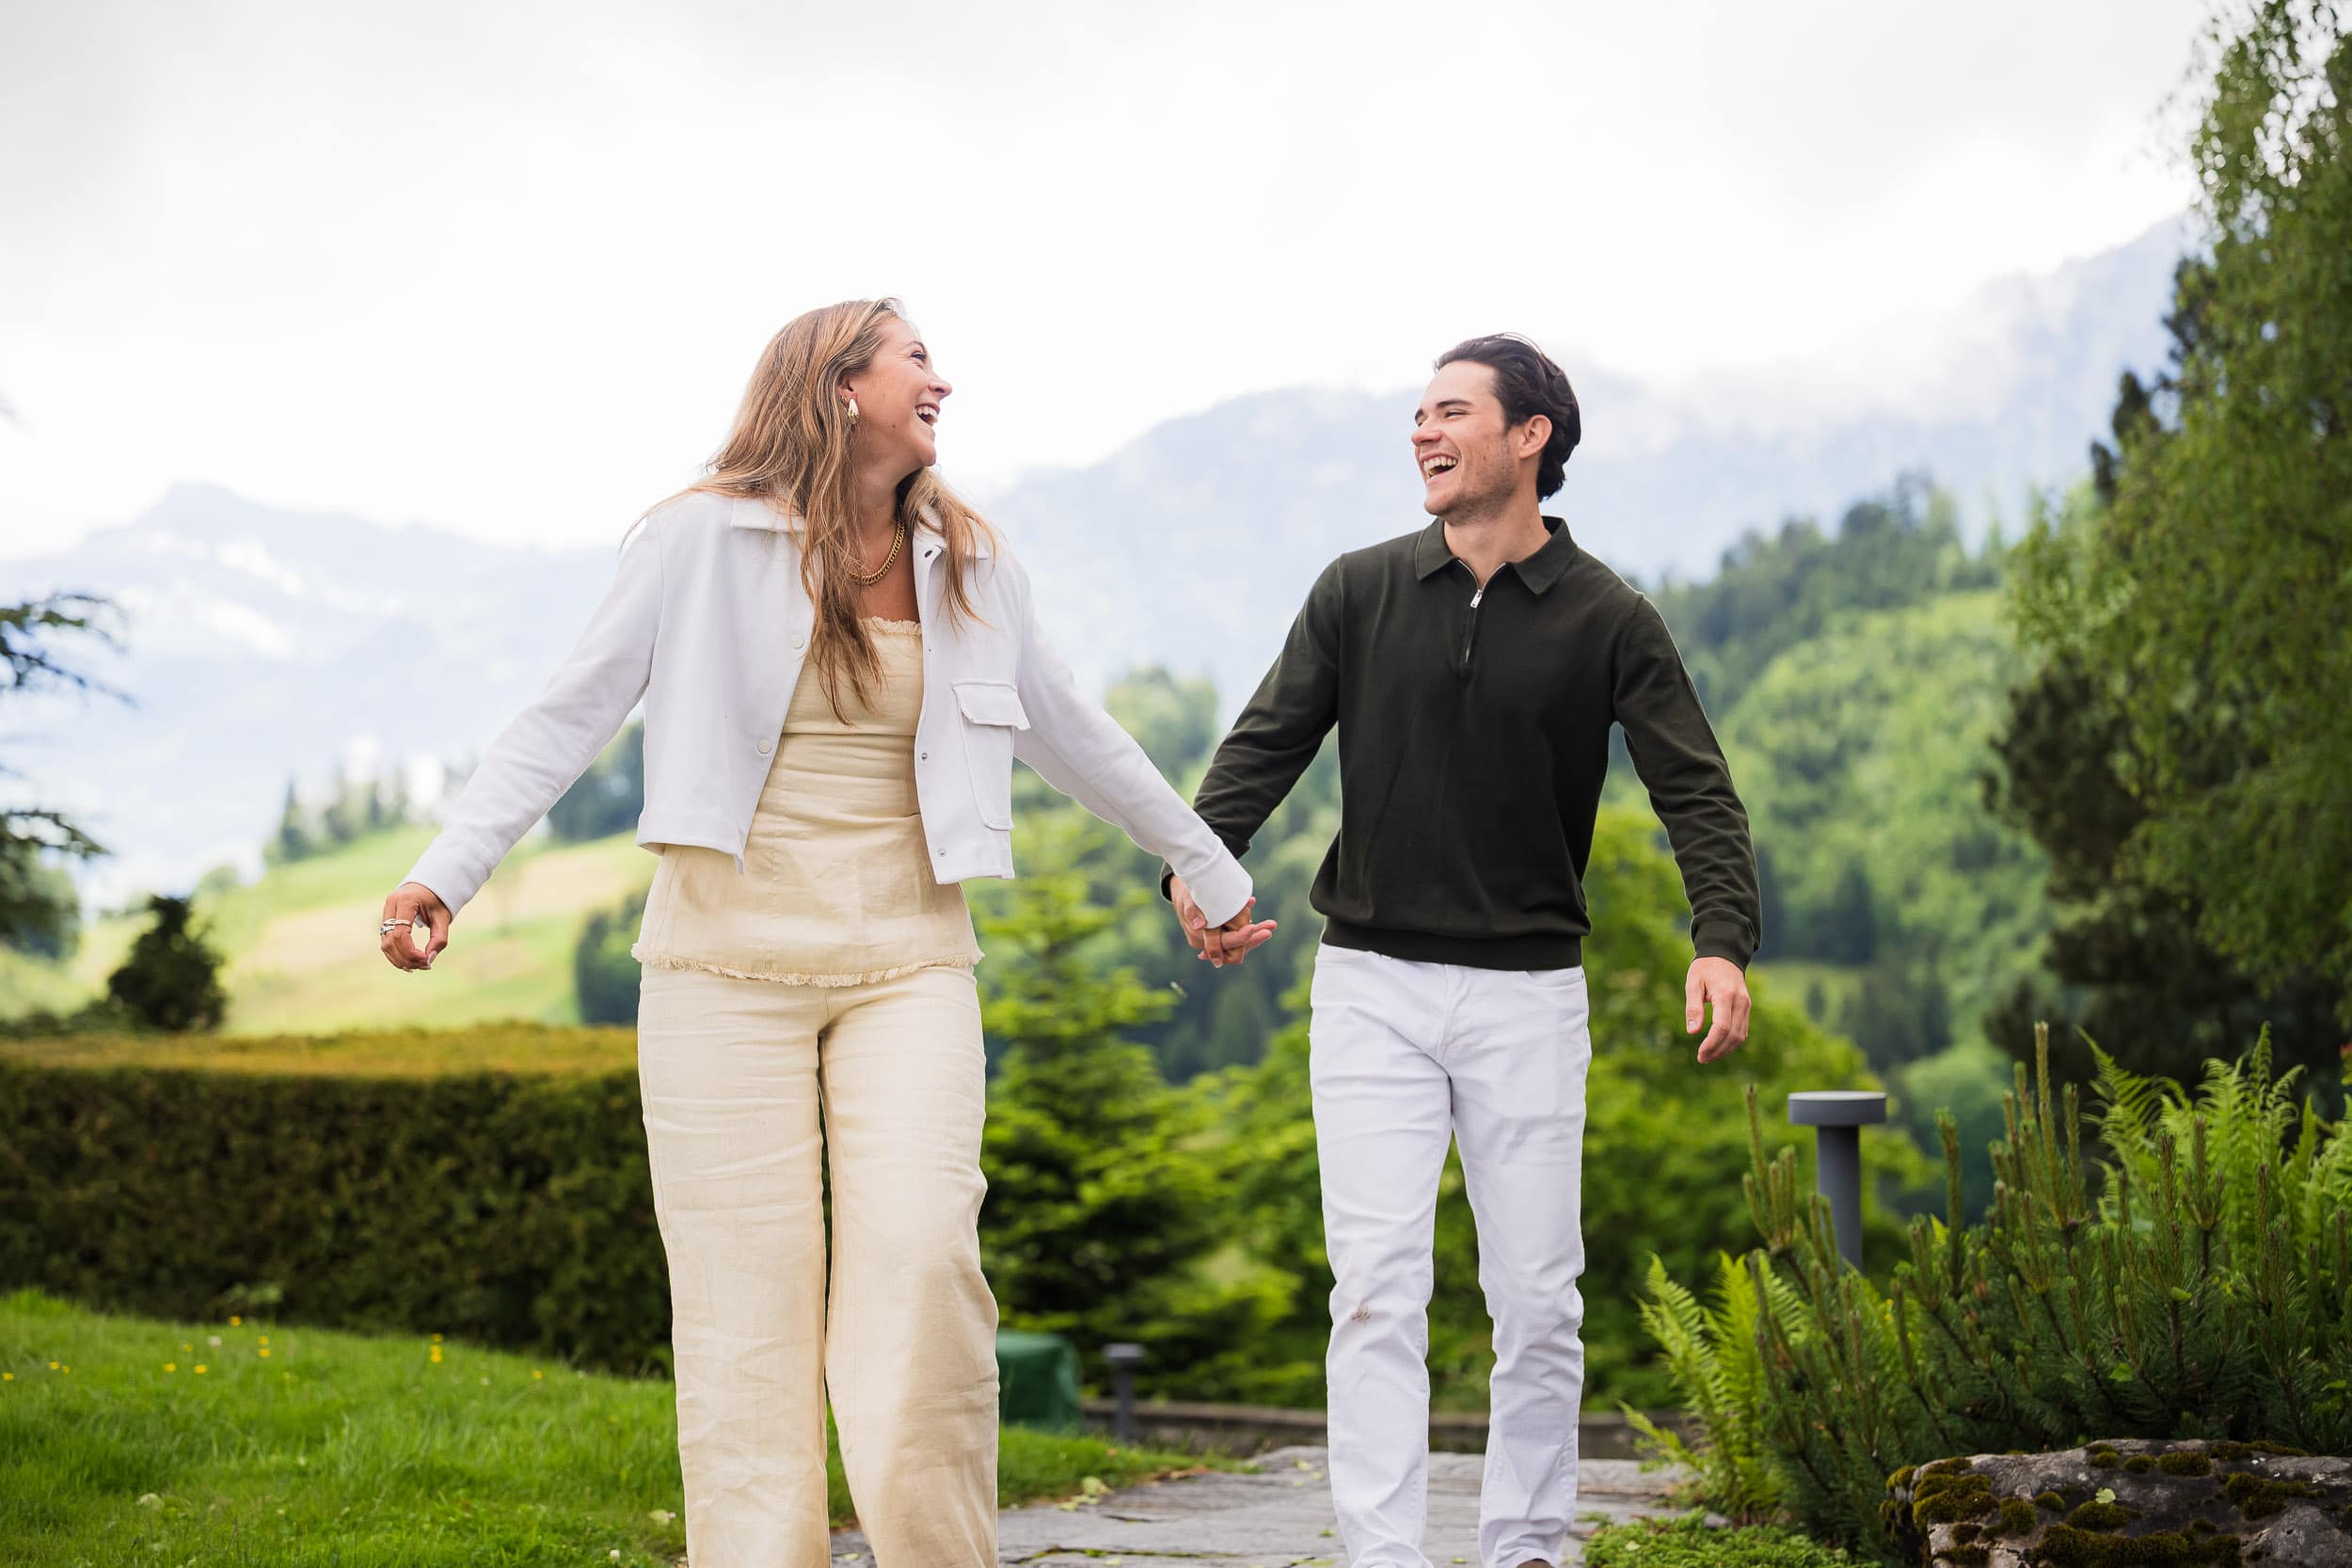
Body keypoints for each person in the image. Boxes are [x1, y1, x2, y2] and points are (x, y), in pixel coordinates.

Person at [376, 297, 1275, 1568]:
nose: (943, 383)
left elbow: (1074, 731)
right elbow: (566, 715)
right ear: (840, 384)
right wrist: (444, 874)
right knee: (744, 1315)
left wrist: (1203, 863)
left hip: (910, 964)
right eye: (919, 359)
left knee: (922, 1265)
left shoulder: (971, 563)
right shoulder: (696, 539)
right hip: (718, 968)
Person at [1168, 334, 1759, 1568]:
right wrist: (1196, 869)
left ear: (1531, 436)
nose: (1424, 434)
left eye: (1451, 412)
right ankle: (1384, 1557)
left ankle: (1527, 1546)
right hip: (1368, 988)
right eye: (1419, 415)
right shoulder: (1358, 590)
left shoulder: (1610, 618)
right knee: (1376, 1290)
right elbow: (1265, 742)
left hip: (1528, 998)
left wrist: (1722, 942)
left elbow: (1696, 790)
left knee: (1537, 1300)